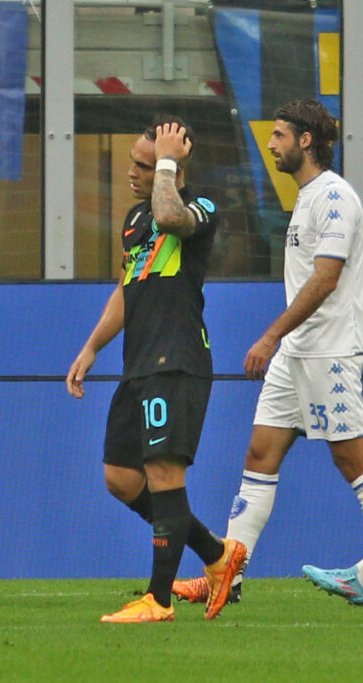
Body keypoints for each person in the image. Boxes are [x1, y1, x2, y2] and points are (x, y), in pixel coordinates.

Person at [172, 99, 363, 606]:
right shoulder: (306, 197)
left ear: (306, 140)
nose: (271, 144)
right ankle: (226, 578)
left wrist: (270, 335)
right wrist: (283, 342)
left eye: (279, 135)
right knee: (260, 455)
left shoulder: (334, 196)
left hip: (329, 352)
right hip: (297, 353)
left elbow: (326, 278)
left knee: (352, 461)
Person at [66, 116, 245, 623]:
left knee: (164, 473)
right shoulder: (133, 219)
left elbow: (171, 218)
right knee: (122, 479)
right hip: (138, 362)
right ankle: (217, 555)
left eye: (145, 166)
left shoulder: (200, 207)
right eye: (135, 163)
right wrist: (92, 347)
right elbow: (129, 286)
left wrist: (168, 162)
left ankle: (159, 600)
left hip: (178, 359)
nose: (133, 173)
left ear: (172, 167)